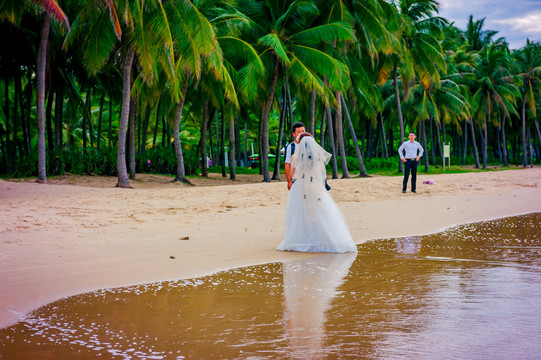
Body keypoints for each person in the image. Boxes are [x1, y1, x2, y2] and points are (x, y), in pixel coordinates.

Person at [277, 133, 357, 253]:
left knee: (300, 213)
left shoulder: (295, 156)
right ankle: (322, 238)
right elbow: (321, 172)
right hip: (315, 186)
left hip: (300, 187)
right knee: (319, 211)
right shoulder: (318, 155)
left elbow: (293, 174)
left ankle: (303, 239)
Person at [285, 122, 306, 190]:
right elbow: (287, 164)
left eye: (303, 131)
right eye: (298, 132)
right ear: (294, 134)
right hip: (296, 179)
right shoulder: (291, 147)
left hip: (308, 179)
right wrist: (289, 181)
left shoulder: (308, 146)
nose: (301, 134)